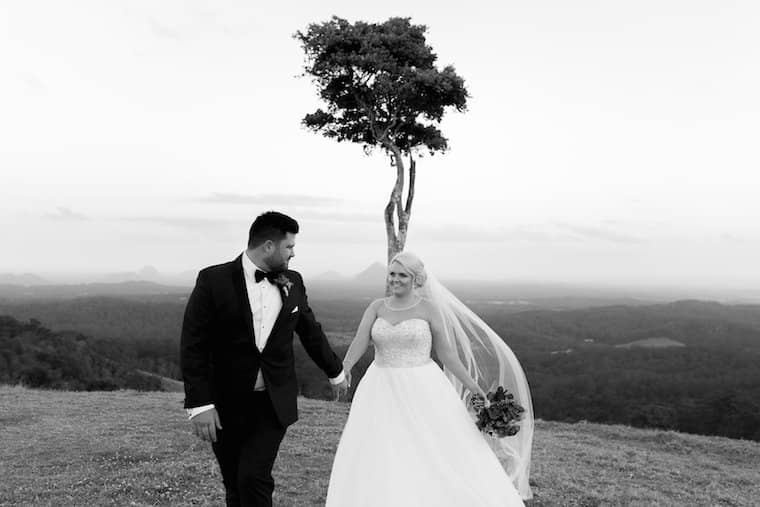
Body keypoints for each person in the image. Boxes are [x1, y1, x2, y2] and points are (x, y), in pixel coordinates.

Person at [326, 251, 533, 506]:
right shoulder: (376, 307)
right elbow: (360, 341)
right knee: (382, 441)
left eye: (403, 275)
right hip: (380, 384)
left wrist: (472, 385)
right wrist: (345, 366)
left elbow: (446, 353)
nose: (395, 279)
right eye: (392, 274)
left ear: (416, 279)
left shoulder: (429, 309)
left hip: (422, 384)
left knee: (431, 441)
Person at [180, 211, 350, 507]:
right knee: (233, 483)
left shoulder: (293, 281)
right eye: (289, 247)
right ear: (268, 246)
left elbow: (310, 331)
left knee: (253, 477)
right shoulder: (213, 280)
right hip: (225, 402)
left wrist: (335, 371)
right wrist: (199, 404)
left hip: (273, 401)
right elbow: (193, 344)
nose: (293, 253)